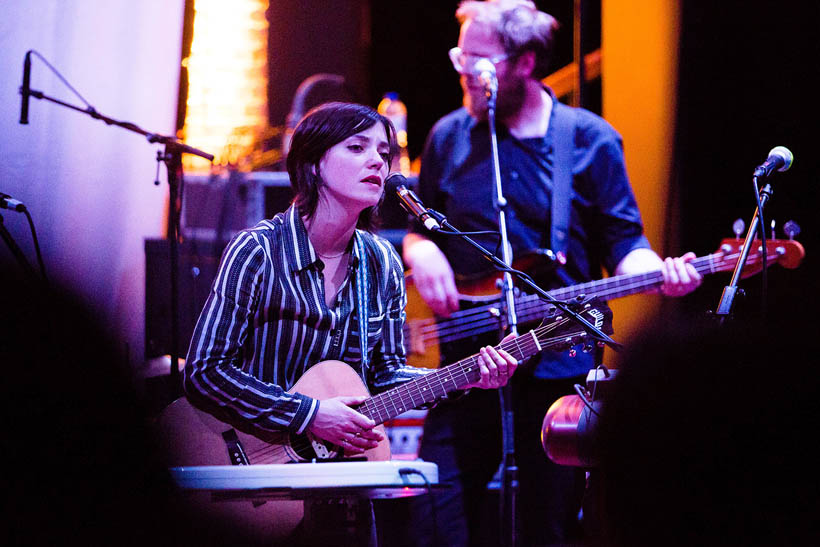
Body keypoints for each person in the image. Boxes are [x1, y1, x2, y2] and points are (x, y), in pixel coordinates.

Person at [400, 1, 702, 545]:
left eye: (480, 61)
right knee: (433, 521)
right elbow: (423, 228)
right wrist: (420, 252)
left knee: (551, 527)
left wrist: (662, 273)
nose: (466, 73)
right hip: (465, 366)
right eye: (460, 58)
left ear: (525, 61)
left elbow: (625, 244)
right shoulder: (448, 135)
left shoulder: (588, 139)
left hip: (558, 367)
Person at [183, 102, 519, 544]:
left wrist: (463, 378)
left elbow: (383, 375)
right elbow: (204, 371)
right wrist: (308, 414)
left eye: (384, 152)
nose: (378, 161)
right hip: (251, 478)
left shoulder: (381, 262)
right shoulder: (258, 252)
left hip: (342, 487)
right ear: (313, 163)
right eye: (357, 147)